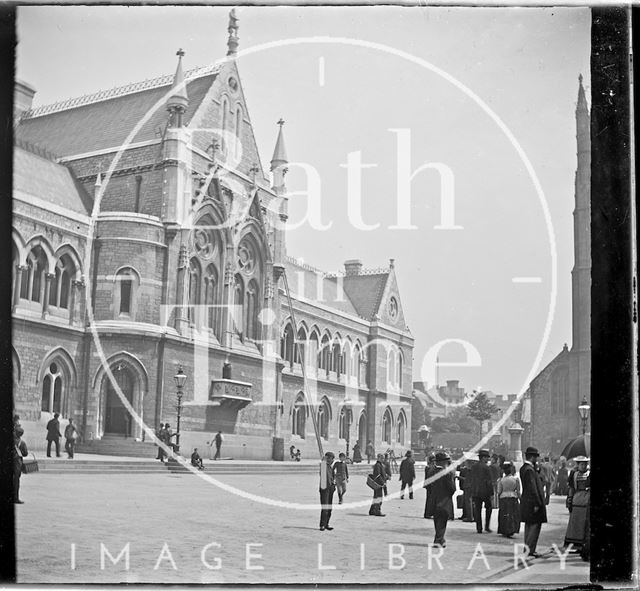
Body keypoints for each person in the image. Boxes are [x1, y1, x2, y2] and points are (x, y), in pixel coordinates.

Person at [520, 446, 547, 558]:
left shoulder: (524, 468)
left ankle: (527, 548)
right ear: (532, 457)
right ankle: (530, 550)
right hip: (533, 502)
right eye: (536, 457)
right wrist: (537, 503)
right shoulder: (530, 470)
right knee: (535, 526)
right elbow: (532, 488)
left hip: (527, 501)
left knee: (529, 525)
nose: (537, 459)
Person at [564, 456, 590, 554]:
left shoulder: (589, 474)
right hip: (576, 499)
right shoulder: (574, 474)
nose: (583, 466)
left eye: (585, 464)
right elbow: (571, 488)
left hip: (587, 499)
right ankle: (575, 545)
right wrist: (569, 500)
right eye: (581, 464)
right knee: (575, 522)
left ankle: (585, 545)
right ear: (578, 465)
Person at [431, 451, 456, 547]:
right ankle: (438, 540)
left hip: (434, 499)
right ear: (443, 462)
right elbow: (452, 488)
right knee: (442, 520)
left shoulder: (431, 471)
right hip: (444, 500)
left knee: (437, 520)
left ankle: (440, 539)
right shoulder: (447, 473)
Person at [470, 449, 494, 533]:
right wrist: (491, 492)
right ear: (483, 458)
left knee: (477, 510)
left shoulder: (473, 467)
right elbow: (489, 481)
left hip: (476, 491)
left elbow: (471, 479)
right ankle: (487, 526)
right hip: (485, 491)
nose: (488, 459)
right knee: (489, 508)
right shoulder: (486, 468)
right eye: (487, 458)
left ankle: (479, 528)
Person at [497, 461, 521, 537]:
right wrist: (520, 500)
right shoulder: (516, 479)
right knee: (513, 514)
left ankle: (504, 530)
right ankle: (512, 529)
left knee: (504, 515)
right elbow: (518, 491)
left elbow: (499, 491)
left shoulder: (501, 480)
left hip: (504, 498)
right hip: (513, 497)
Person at [319, 451, 336, 530]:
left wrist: (333, 485)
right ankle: (322, 524)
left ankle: (326, 524)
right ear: (327, 458)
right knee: (325, 508)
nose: (332, 460)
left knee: (329, 508)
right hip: (325, 489)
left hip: (330, 489)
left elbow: (332, 478)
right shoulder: (323, 465)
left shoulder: (330, 467)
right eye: (331, 458)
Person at [13, 426, 29, 504]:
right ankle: (15, 498)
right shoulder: (22, 443)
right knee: (16, 482)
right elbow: (25, 453)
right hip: (17, 464)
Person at [424, 453, 436, 518]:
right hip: (431, 485)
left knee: (429, 499)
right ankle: (428, 513)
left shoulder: (428, 467)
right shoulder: (430, 468)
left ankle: (429, 513)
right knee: (430, 500)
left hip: (429, 485)